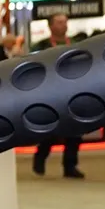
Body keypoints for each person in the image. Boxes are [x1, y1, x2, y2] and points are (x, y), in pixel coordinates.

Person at [31, 12, 84, 178]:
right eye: (59, 22)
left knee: (76, 129)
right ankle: (41, 155)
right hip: (51, 92)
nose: (64, 25)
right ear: (51, 26)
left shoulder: (76, 43)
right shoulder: (41, 46)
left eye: (65, 22)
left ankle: (70, 165)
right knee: (52, 129)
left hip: (73, 90)